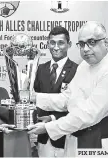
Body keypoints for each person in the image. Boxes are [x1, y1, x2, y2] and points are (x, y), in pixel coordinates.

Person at [28, 21, 108, 156]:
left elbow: (88, 115)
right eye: (82, 44)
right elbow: (67, 98)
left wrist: (49, 127)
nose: (85, 49)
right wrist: (33, 97)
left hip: (103, 143)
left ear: (105, 42)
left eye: (91, 42)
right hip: (75, 137)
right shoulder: (84, 66)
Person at [33, 26, 78, 157]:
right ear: (47, 44)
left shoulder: (77, 70)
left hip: (66, 136)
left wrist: (53, 118)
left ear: (69, 44)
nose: (56, 47)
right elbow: (36, 98)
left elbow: (75, 105)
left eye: (61, 43)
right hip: (43, 137)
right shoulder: (40, 69)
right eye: (52, 43)